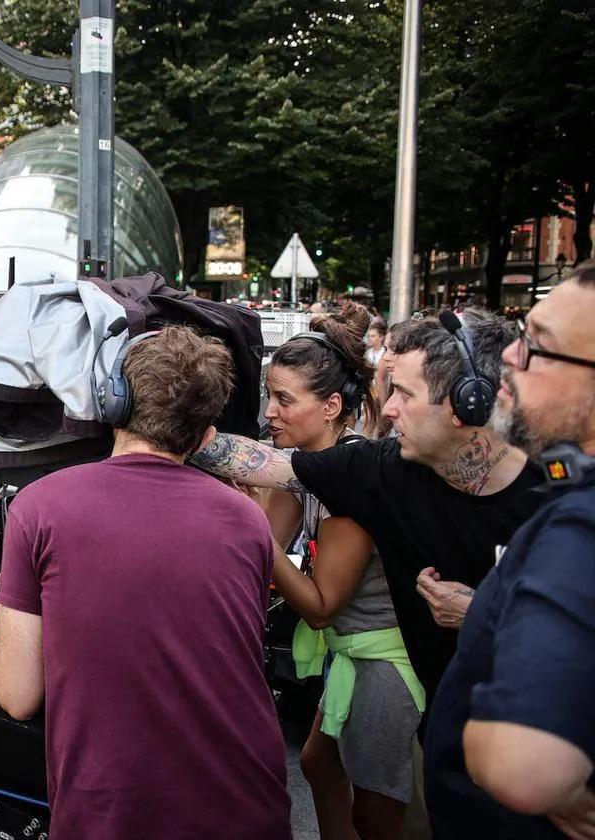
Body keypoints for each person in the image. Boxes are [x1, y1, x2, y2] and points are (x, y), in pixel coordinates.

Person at [190, 308, 543, 833]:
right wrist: (172, 427)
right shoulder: (384, 470)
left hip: (537, 740)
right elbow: (269, 464)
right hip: (445, 728)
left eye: (404, 392)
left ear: (468, 402)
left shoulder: (556, 495)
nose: (388, 410)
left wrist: (482, 612)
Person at [0, 326, 291, 839]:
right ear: (205, 435)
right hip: (248, 808)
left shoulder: (40, 506)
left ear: (112, 403)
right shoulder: (247, 519)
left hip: (115, 813)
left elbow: (18, 695)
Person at [424, 260, 595, 839]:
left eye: (540, 348)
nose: (512, 360)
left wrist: (474, 721)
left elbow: (522, 769)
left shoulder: (580, 524)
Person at [259, 316, 422, 840]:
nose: (269, 412)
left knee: (376, 810)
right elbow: (265, 542)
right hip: (348, 651)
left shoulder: (350, 481)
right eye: (269, 396)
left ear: (331, 407)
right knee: (320, 767)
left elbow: (320, 603)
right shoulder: (301, 466)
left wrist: (252, 533)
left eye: (284, 400)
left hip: (386, 660)